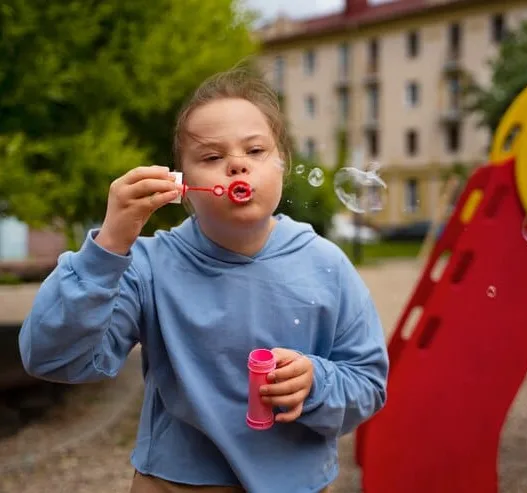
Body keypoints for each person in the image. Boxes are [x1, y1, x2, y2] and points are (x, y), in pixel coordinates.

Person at [18, 66, 389, 493]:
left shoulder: (326, 263)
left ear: (282, 164)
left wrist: (317, 385)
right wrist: (108, 246)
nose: (236, 166)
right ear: (182, 184)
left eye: (255, 150)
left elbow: (368, 384)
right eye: (212, 157)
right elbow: (52, 357)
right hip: (175, 485)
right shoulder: (147, 266)